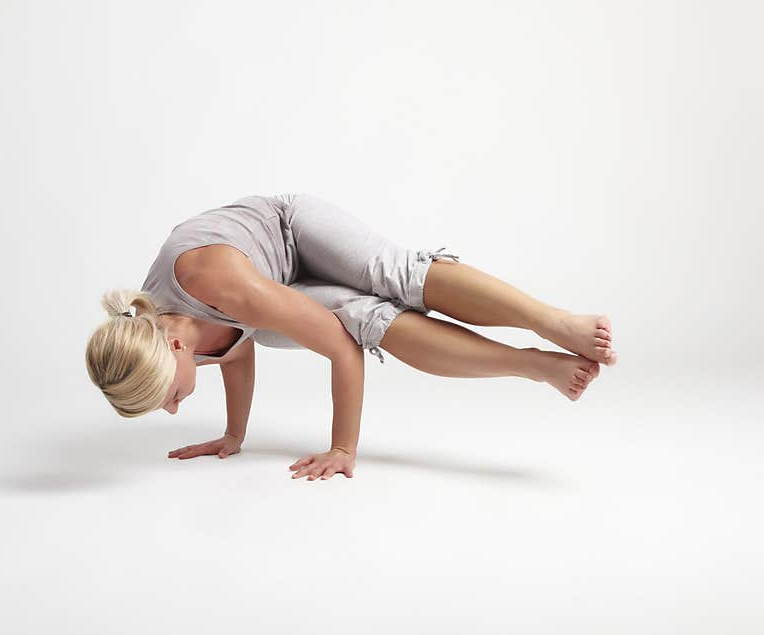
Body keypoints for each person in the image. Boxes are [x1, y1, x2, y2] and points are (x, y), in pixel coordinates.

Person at [86, 192, 616, 481]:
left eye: (169, 398)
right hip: (268, 287)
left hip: (290, 232)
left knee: (394, 277)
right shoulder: (166, 340)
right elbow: (233, 348)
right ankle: (534, 365)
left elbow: (336, 348)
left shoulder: (216, 284)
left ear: (173, 345)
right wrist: (234, 436)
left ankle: (555, 322)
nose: (175, 409)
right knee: (367, 317)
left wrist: (342, 447)